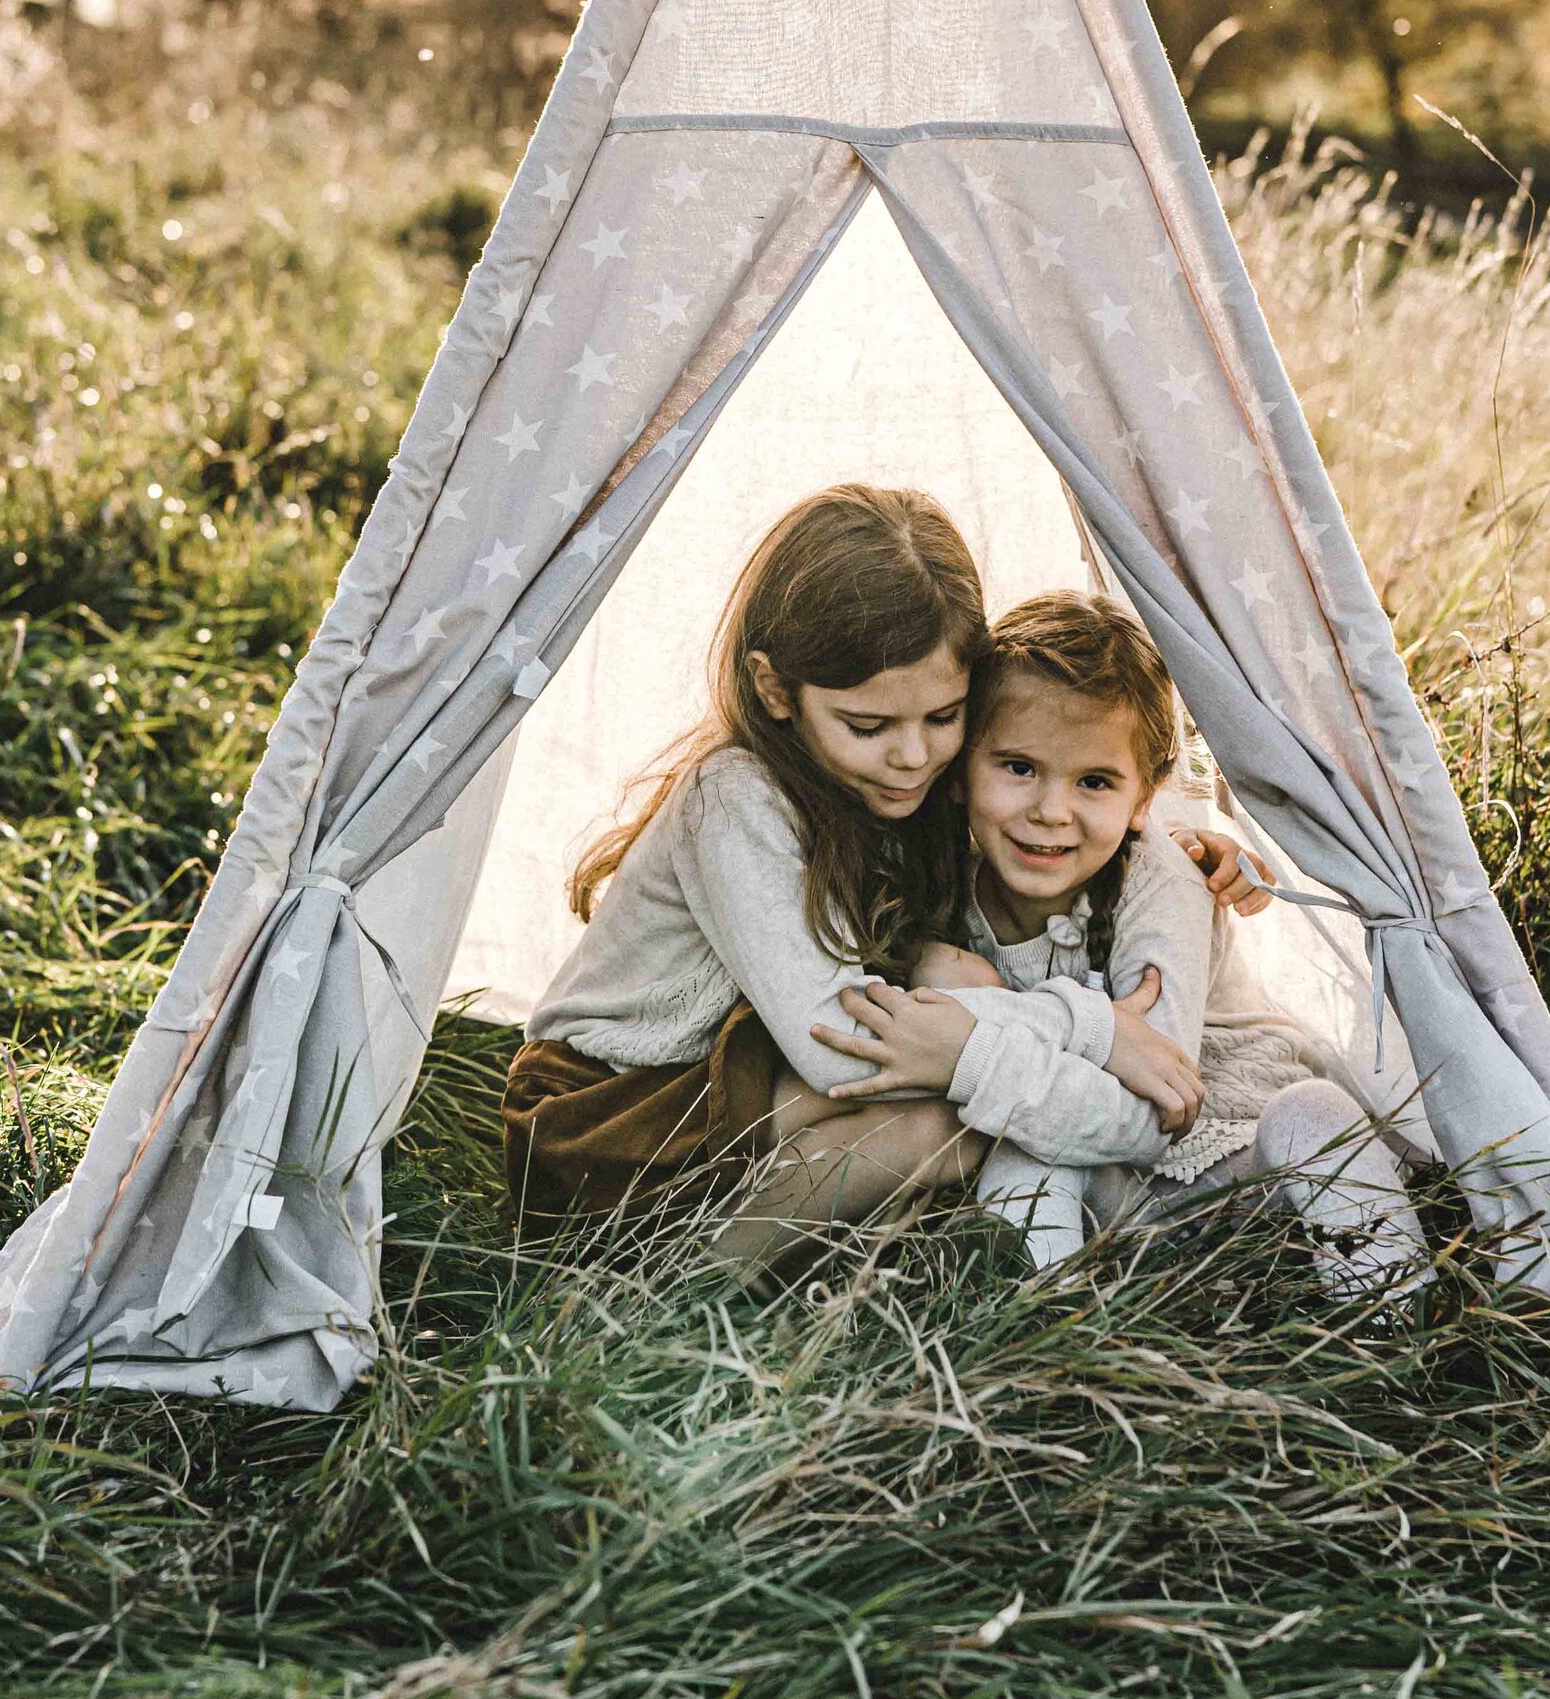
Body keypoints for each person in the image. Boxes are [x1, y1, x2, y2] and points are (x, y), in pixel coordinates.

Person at [501, 486, 1256, 1261]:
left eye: (943, 718)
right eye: (868, 726)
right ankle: (673, 1284)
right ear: (774, 690)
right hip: (602, 1116)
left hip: (746, 1091)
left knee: (958, 1015)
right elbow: (839, 1049)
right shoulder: (731, 797)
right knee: (954, 1107)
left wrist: (1196, 838)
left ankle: (854, 1257)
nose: (913, 755)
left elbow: (1085, 775)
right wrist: (1087, 1029)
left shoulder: (907, 786)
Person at [814, 593, 1433, 1304]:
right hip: (1121, 1202)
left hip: (1244, 1157)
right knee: (1025, 1152)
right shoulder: (949, 886)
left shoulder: (1160, 878)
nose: (1051, 811)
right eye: (1018, 767)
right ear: (960, 774)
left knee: (1311, 1113)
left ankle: (1391, 1310)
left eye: (1095, 782)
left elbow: (1158, 1102)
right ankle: (1049, 1330)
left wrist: (978, 1046)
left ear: (1146, 798)